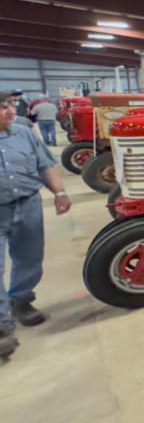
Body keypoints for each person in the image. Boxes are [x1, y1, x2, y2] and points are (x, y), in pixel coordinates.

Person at [0, 91, 72, 361]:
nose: (9, 111)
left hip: (27, 204)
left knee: (29, 258)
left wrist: (60, 192)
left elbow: (46, 164)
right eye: (2, 107)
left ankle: (21, 300)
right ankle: (2, 328)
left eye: (9, 105)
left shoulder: (23, 134)